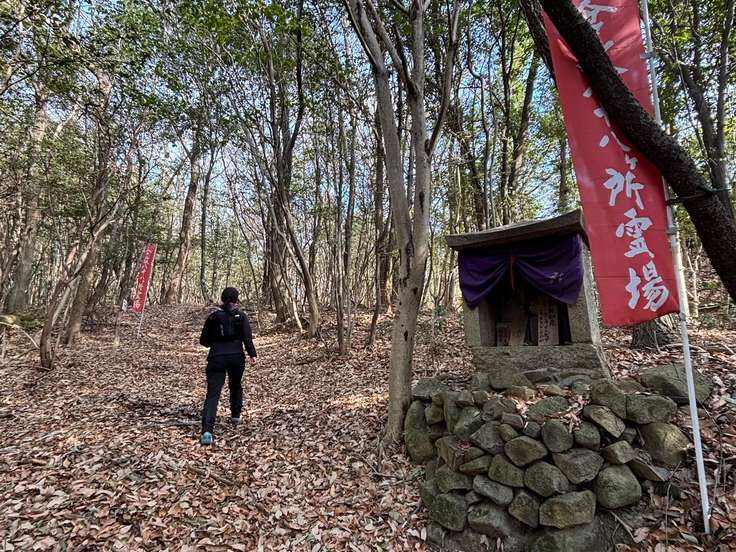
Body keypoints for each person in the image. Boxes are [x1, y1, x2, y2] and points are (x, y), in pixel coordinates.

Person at [199, 287, 257, 446]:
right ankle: (235, 416)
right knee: (235, 385)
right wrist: (252, 354)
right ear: (236, 300)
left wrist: (216, 342)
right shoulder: (241, 316)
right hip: (237, 357)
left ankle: (207, 431)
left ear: (222, 299)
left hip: (216, 357)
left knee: (213, 393)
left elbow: (203, 341)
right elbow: (247, 338)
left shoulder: (213, 317)